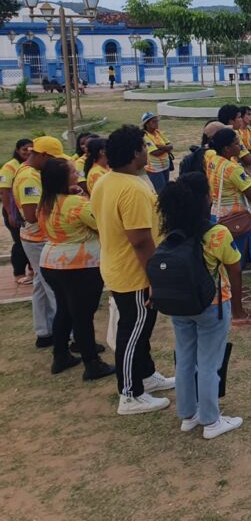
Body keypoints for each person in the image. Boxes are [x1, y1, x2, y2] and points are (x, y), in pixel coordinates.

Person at [92, 125, 176, 414]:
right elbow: (140, 239)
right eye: (143, 147)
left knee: (140, 328)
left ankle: (146, 375)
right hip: (134, 273)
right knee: (132, 331)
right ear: (134, 153)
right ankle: (129, 394)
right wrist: (154, 277)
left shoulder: (107, 180)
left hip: (119, 266)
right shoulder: (132, 188)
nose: (147, 151)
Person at [157, 172, 244, 439]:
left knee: (185, 359)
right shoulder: (217, 233)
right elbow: (234, 268)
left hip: (180, 306)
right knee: (209, 362)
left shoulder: (170, 232)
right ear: (204, 199)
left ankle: (188, 414)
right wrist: (238, 307)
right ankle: (211, 420)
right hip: (212, 305)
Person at [37, 157, 115, 380]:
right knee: (83, 315)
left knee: (64, 309)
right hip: (79, 265)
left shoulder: (46, 201)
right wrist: (83, 198)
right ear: (63, 178)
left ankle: (60, 355)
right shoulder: (77, 204)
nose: (77, 174)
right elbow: (101, 223)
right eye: (73, 172)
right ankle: (92, 363)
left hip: (51, 262)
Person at [205, 128, 251, 326]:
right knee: (236, 265)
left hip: (217, 213)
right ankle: (237, 312)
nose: (240, 147)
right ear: (227, 148)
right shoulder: (233, 169)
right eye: (237, 144)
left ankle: (231, 301)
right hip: (235, 219)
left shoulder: (212, 159)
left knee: (223, 264)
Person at [14, 137, 65, 347]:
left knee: (41, 285)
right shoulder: (30, 177)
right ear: (43, 155)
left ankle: (44, 332)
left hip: (34, 238)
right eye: (54, 159)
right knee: (54, 286)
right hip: (37, 239)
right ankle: (67, 336)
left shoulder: (30, 172)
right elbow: (31, 215)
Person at [1, 139, 32, 285]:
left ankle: (32, 271)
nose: (28, 152)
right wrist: (9, 213)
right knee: (20, 243)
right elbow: (4, 191)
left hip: (26, 208)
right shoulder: (10, 166)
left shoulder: (31, 165)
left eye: (31, 149)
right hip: (14, 210)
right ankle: (18, 273)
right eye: (25, 149)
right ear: (17, 150)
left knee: (31, 241)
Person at [141, 113, 173, 192]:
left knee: (167, 190)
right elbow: (155, 152)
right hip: (154, 169)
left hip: (165, 166)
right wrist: (166, 148)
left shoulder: (157, 132)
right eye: (153, 122)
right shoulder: (145, 136)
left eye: (157, 121)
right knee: (161, 192)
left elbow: (170, 145)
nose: (156, 123)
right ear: (146, 124)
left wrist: (160, 147)